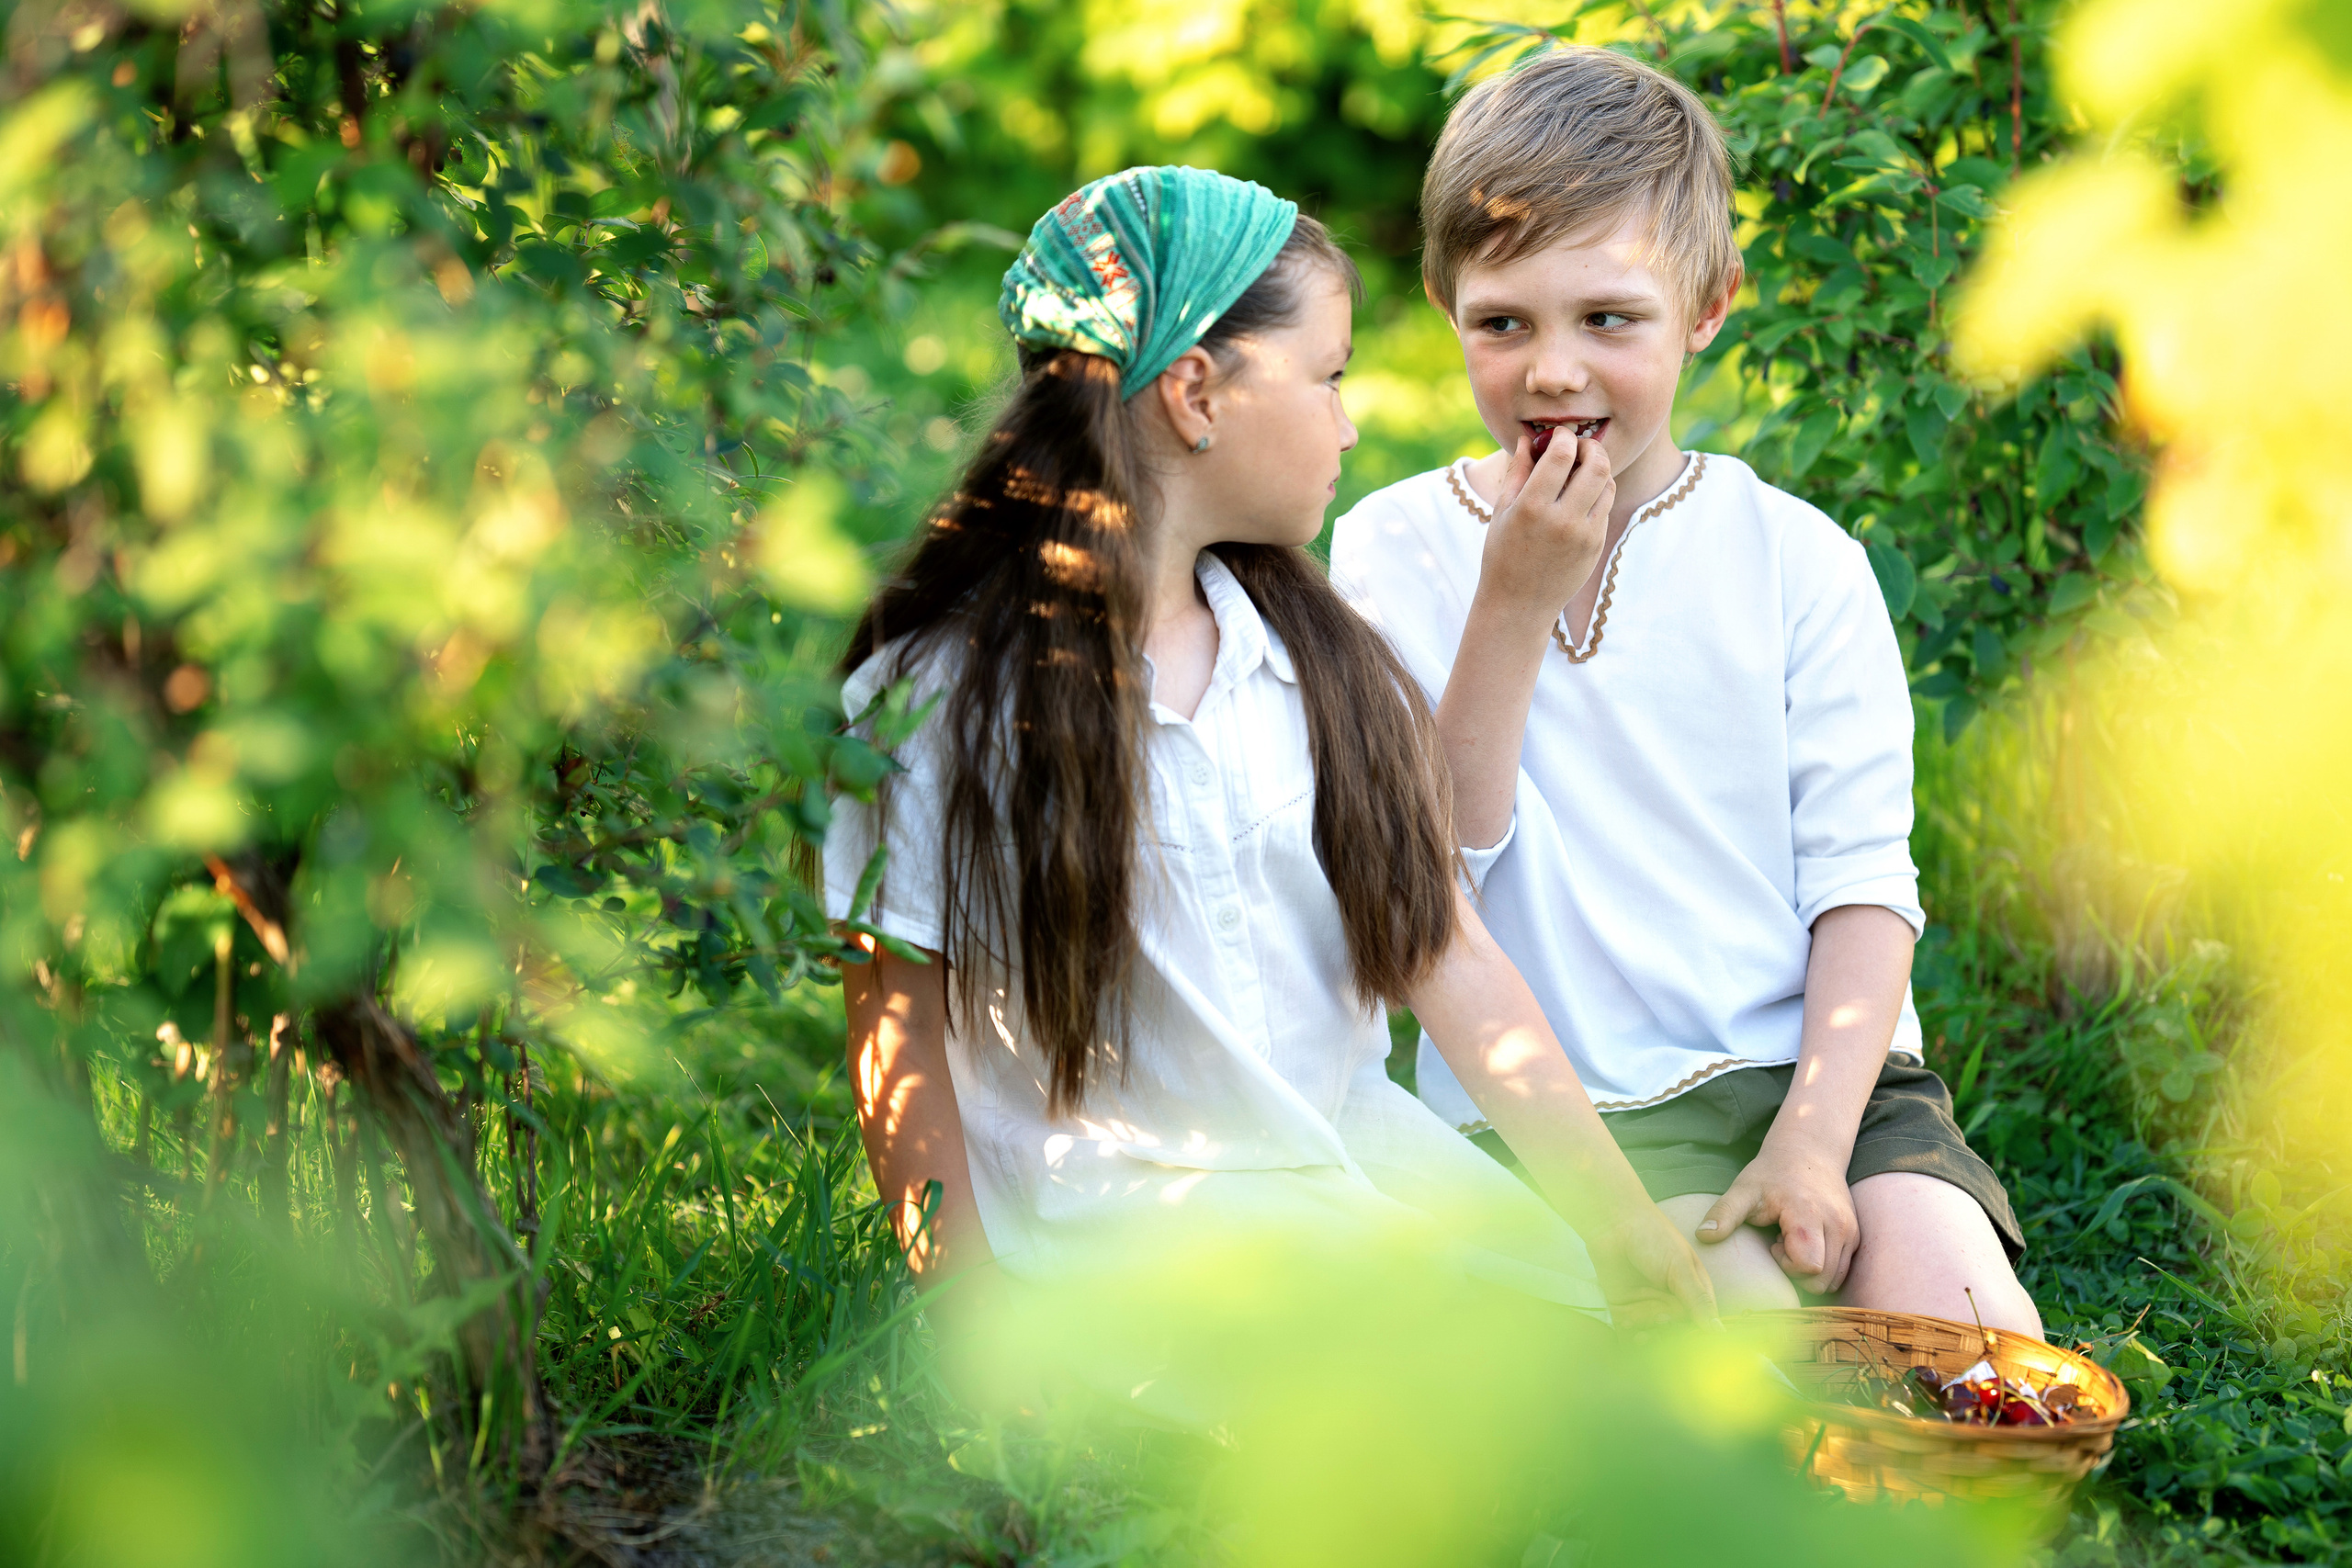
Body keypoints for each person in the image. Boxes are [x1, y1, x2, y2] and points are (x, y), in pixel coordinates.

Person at [822, 167, 1717, 1403]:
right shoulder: (943, 698)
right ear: (1198, 392)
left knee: (1640, 1371)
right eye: (1331, 375)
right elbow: (895, 1024)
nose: (1352, 421)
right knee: (1489, 1421)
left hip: (1352, 1172)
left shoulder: (1311, 655)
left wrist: (1621, 1222)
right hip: (1138, 1243)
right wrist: (970, 1321)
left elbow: (1442, 952)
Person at [1329, 49, 2041, 1336]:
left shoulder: (1799, 560)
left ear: (1707, 307)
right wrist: (1510, 603)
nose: (1553, 372)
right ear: (1444, 303)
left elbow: (1863, 886)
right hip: (1554, 1108)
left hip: (1823, 1080)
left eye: (1609, 320)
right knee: (1753, 1364)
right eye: (1505, 323)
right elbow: (1429, 874)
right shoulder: (1394, 549)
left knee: (1976, 1349)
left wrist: (1815, 1146)